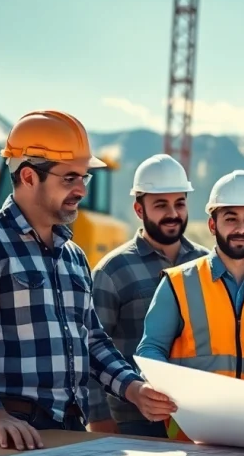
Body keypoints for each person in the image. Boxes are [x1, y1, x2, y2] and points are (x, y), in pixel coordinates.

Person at [0, 110, 176, 451]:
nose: (80, 190)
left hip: (71, 426)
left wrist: (133, 388)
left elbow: (90, 338)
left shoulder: (73, 256)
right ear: (29, 176)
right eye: (69, 178)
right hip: (9, 431)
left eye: (84, 178)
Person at [134, 170, 244, 440]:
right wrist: (168, 391)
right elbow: (150, 349)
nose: (241, 229)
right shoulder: (178, 283)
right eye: (230, 218)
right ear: (213, 225)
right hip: (191, 434)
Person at [85, 154, 211, 437]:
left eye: (179, 203)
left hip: (197, 421)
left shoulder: (208, 265)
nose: (173, 213)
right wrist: (100, 420)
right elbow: (90, 348)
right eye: (160, 205)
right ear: (139, 209)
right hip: (133, 422)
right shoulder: (112, 270)